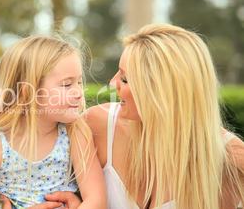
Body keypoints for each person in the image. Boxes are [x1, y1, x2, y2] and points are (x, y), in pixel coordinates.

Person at [85, 24, 244, 209]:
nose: (113, 84)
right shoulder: (98, 125)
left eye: (125, 79)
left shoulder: (231, 160)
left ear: (163, 92)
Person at [0, 35, 107, 209]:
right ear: (28, 93)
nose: (79, 92)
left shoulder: (75, 134)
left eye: (79, 82)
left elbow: (96, 200)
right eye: (67, 84)